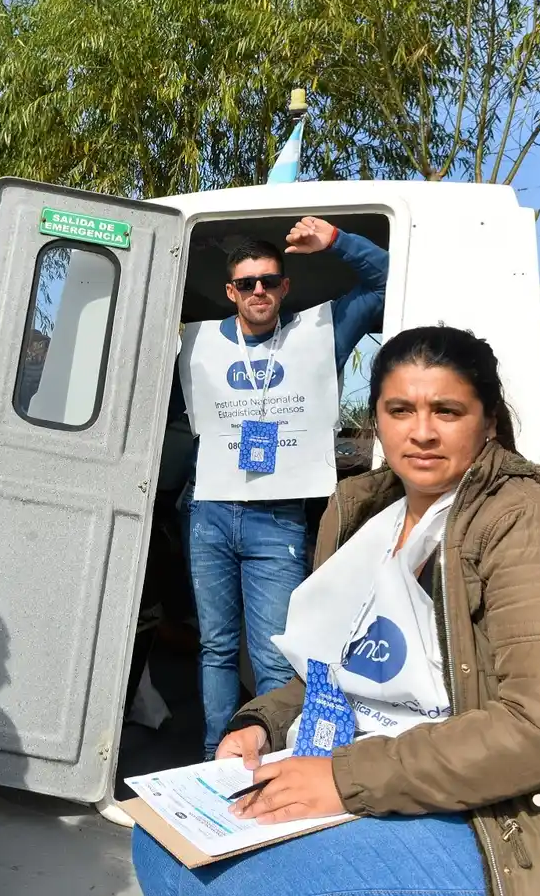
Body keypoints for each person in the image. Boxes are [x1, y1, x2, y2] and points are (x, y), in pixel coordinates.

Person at [134, 325, 540, 896]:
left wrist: (344, 779)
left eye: (446, 411)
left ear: (488, 421)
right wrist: (262, 724)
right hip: (383, 774)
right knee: (163, 839)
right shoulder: (366, 518)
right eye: (400, 410)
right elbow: (349, 668)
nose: (421, 433)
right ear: (376, 419)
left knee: (239, 876)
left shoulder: (537, 526)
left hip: (512, 822)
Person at [176, 216, 388, 756]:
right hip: (211, 515)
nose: (259, 291)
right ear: (231, 291)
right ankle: (212, 759)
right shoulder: (195, 343)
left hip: (279, 519)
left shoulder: (319, 335)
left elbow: (384, 282)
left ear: (285, 285)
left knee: (273, 655)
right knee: (216, 649)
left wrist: (337, 242)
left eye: (269, 280)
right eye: (246, 284)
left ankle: (271, 763)